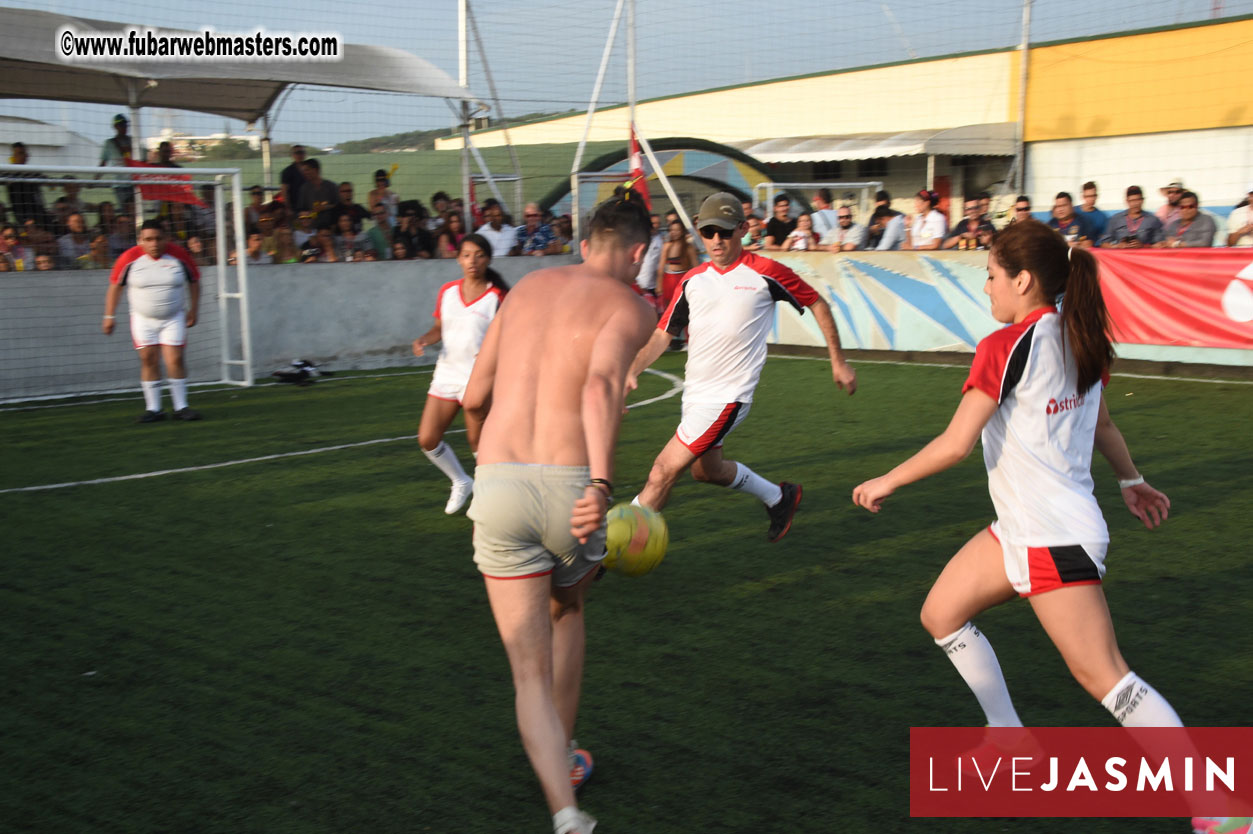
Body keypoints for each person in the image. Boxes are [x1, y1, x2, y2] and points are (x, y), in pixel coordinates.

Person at [851, 219, 1181, 731]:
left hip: (1050, 537)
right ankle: (1007, 735)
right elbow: (1105, 423)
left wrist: (885, 481)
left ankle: (1219, 807)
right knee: (941, 614)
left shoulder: (1005, 346)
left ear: (1022, 280)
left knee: (1106, 678)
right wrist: (1130, 481)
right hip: (1025, 529)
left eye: (991, 275)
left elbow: (955, 444)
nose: (987, 288)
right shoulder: (1080, 336)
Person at [461, 189, 656, 834]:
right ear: (636, 252)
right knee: (568, 607)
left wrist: (484, 450)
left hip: (497, 481)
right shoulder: (631, 304)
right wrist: (601, 484)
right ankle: (567, 755)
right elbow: (601, 384)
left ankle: (567, 813)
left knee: (526, 671)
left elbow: (473, 393)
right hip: (572, 487)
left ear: (582, 243)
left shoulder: (522, 290)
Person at [627, 192, 857, 540]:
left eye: (725, 231)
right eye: (708, 232)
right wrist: (632, 369)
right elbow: (662, 335)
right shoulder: (692, 281)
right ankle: (779, 498)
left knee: (662, 471)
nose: (716, 240)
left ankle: (606, 548)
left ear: (742, 229)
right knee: (707, 471)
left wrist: (838, 361)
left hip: (728, 398)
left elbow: (817, 304)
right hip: (696, 396)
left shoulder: (766, 272)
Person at [411, 235, 509, 514]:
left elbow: (508, 337)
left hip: (479, 378)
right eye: (466, 255)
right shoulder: (448, 291)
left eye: (478, 255)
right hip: (446, 374)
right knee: (427, 438)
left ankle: (490, 496)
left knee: (478, 443)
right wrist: (424, 340)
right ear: (458, 259)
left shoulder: (497, 296)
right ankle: (461, 481)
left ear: (488, 259)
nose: (472, 261)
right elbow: (439, 327)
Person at [102, 220, 202, 422]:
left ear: (166, 238)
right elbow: (115, 286)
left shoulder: (179, 255)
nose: (154, 243)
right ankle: (154, 409)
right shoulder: (129, 258)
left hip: (173, 317)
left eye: (158, 238)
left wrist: (193, 310)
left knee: (174, 358)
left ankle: (181, 407)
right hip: (142, 319)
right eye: (148, 239)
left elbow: (195, 282)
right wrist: (109, 316)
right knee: (148, 359)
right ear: (140, 240)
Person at [656, 218, 698, 324]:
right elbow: (661, 267)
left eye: (677, 230)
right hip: (668, 280)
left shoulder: (688, 247)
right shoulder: (667, 246)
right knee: (670, 311)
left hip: (682, 280)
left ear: (682, 231)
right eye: (672, 230)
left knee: (685, 310)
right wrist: (659, 285)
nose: (674, 233)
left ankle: (686, 337)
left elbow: (695, 267)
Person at [1099, 186, 1163, 248]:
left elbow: (1160, 245)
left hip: (1143, 257)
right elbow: (1104, 244)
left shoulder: (1153, 220)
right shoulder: (1116, 219)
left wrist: (1143, 246)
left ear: (1142, 200)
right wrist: (1117, 246)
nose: (1135, 203)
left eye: (1138, 200)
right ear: (1127, 201)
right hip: (1121, 257)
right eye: (1132, 200)